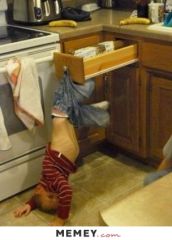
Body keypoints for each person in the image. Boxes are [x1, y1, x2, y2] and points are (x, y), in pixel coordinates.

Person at [13, 70, 109, 226]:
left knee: (67, 103)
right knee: (69, 100)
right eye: (56, 199)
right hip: (63, 133)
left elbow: (43, 195)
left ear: (38, 190)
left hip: (63, 135)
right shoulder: (52, 184)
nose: (56, 194)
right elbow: (64, 191)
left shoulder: (47, 180)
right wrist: (56, 214)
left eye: (51, 197)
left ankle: (90, 108)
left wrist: (31, 205)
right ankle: (76, 81)